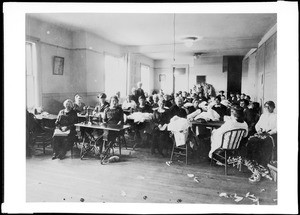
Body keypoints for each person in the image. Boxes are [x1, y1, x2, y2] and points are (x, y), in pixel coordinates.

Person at [246, 101, 277, 166]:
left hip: (271, 135)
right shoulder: (263, 115)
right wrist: (259, 130)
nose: (267, 108)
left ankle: (262, 163)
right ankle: (252, 161)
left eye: (269, 106)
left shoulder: (276, 116)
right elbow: (257, 125)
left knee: (264, 143)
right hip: (261, 133)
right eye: (266, 107)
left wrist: (269, 133)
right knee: (252, 140)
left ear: (273, 107)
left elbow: (277, 128)